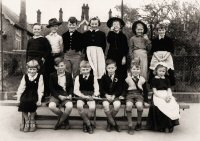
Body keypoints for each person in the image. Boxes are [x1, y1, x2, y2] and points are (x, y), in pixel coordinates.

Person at [147, 62, 180, 133]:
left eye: (163, 71)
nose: (161, 73)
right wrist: (163, 98)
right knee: (161, 105)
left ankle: (169, 125)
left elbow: (168, 89)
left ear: (165, 72)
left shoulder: (167, 80)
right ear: (156, 71)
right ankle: (162, 126)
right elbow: (155, 91)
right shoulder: (154, 80)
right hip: (158, 95)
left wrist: (169, 96)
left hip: (166, 94)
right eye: (160, 71)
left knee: (172, 104)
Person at [17, 60, 44, 132]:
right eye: (30, 69)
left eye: (34, 69)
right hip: (26, 92)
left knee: (32, 101)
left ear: (37, 69)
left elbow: (40, 89)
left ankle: (32, 119)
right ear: (27, 69)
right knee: (23, 101)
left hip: (35, 93)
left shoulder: (39, 76)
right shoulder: (25, 76)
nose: (32, 71)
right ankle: (27, 120)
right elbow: (21, 88)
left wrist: (39, 100)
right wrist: (18, 98)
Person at [26, 23, 52, 99]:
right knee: (31, 75)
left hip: (39, 59)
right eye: (35, 29)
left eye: (38, 29)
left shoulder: (44, 39)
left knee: (40, 76)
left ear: (41, 30)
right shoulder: (30, 40)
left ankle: (41, 94)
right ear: (33, 30)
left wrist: (44, 57)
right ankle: (31, 93)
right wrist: (26, 61)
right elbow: (27, 51)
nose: (36, 30)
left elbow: (48, 50)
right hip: (30, 59)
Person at [122, 61, 149, 135]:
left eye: (137, 69)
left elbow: (145, 91)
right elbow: (124, 89)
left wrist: (146, 101)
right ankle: (130, 125)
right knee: (129, 106)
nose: (135, 71)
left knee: (140, 106)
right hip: (130, 95)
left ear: (140, 70)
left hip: (139, 95)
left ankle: (139, 122)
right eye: (134, 69)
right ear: (131, 70)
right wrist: (123, 96)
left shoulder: (142, 79)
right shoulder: (127, 79)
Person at [74, 60, 100, 134]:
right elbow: (76, 90)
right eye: (83, 69)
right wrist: (83, 96)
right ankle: (88, 124)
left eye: (87, 69)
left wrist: (94, 96)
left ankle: (85, 123)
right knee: (79, 106)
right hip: (81, 95)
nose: (85, 71)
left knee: (92, 107)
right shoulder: (78, 77)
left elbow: (97, 89)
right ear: (80, 69)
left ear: (90, 69)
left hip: (90, 96)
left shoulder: (93, 77)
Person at [48, 57, 74, 130]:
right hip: (56, 94)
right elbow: (51, 89)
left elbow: (71, 86)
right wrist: (59, 96)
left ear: (65, 66)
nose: (60, 68)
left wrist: (70, 94)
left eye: (62, 65)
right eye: (58, 66)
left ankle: (59, 123)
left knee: (69, 106)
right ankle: (65, 119)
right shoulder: (52, 75)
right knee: (51, 106)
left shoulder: (68, 75)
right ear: (55, 67)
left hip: (66, 94)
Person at [100, 59, 123, 132]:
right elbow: (101, 89)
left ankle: (109, 122)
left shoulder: (119, 77)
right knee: (106, 105)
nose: (111, 70)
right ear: (106, 69)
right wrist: (106, 95)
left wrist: (114, 95)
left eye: (112, 68)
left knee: (117, 105)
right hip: (106, 96)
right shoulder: (103, 77)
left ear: (115, 68)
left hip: (114, 96)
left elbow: (120, 89)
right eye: (109, 68)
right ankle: (114, 124)